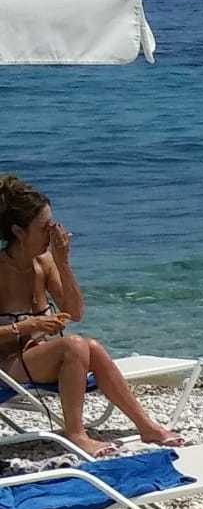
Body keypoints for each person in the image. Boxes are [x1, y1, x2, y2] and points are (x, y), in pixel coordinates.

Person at [0, 174, 182, 458]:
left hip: (36, 357)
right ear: (19, 232)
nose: (53, 234)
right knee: (74, 345)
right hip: (5, 366)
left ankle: (146, 426)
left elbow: (75, 313)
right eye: (45, 228)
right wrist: (30, 325)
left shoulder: (44, 263)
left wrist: (62, 262)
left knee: (92, 347)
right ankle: (76, 434)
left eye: (54, 226)